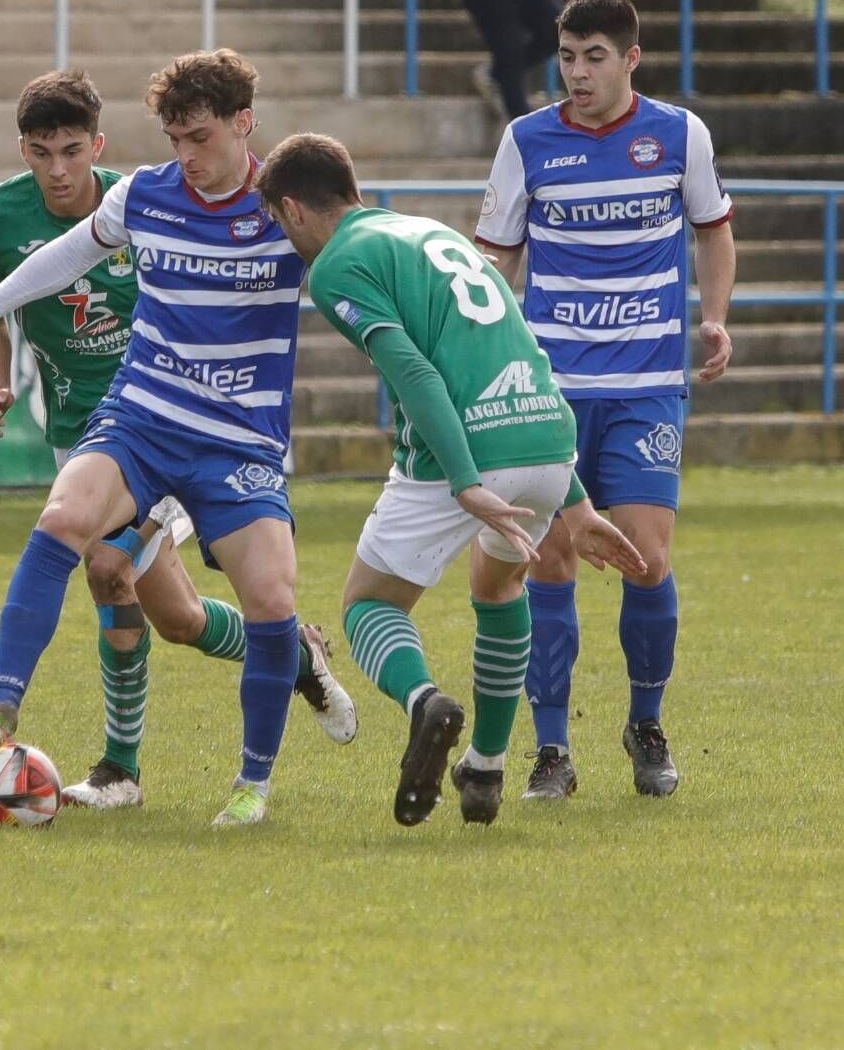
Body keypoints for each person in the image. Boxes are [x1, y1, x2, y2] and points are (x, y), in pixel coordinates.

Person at [0, 49, 311, 828]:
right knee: (80, 541)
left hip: (235, 438)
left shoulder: (287, 205)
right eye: (173, 140)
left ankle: (237, 770)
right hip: (132, 421)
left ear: (244, 124)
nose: (185, 158)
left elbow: (359, 267)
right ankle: (8, 714)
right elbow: (68, 254)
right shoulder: (143, 196)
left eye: (198, 139)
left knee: (186, 586)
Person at [260, 132, 647, 827]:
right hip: (545, 432)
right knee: (499, 586)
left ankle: (423, 704)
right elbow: (520, 346)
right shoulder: (429, 234)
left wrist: (465, 481)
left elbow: (414, 372)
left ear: (291, 208)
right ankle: (486, 769)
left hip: (465, 447)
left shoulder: (337, 265)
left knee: (367, 607)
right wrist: (575, 499)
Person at [473, 0, 737, 801]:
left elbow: (713, 229)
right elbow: (492, 261)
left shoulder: (677, 133)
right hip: (548, 390)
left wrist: (715, 318)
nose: (577, 72)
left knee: (645, 560)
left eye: (594, 57)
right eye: (566, 56)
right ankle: (551, 750)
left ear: (630, 58)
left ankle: (644, 725)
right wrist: (473, 347)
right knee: (549, 562)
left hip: (647, 385)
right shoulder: (525, 141)